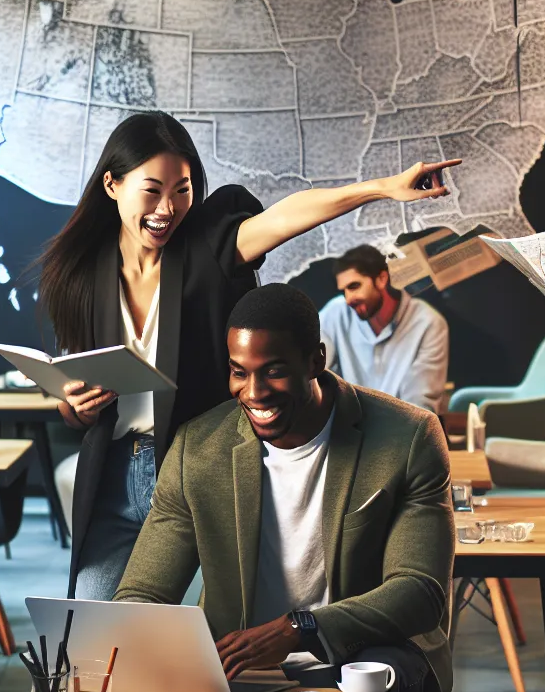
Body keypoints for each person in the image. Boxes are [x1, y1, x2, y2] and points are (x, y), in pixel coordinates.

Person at [35, 111, 456, 600]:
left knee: (206, 640)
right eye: (152, 190)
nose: (167, 208)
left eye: (182, 189)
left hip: (195, 470)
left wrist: (384, 188)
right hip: (112, 474)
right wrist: (73, 405)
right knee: (89, 631)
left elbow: (288, 215)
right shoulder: (86, 273)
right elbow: (74, 396)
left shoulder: (209, 248)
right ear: (112, 185)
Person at [112, 284, 454, 692]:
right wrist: (140, 642)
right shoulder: (198, 449)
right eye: (238, 371)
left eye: (272, 370)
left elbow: (419, 592)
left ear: (315, 361)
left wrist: (301, 629)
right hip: (243, 668)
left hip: (368, 661)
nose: (253, 391)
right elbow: (141, 595)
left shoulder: (406, 437)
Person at [317, 244, 450, 412]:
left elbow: (419, 406)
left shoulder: (427, 323)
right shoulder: (334, 314)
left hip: (402, 431)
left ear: (381, 279)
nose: (349, 298)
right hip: (347, 428)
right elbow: (314, 374)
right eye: (344, 291)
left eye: (354, 286)